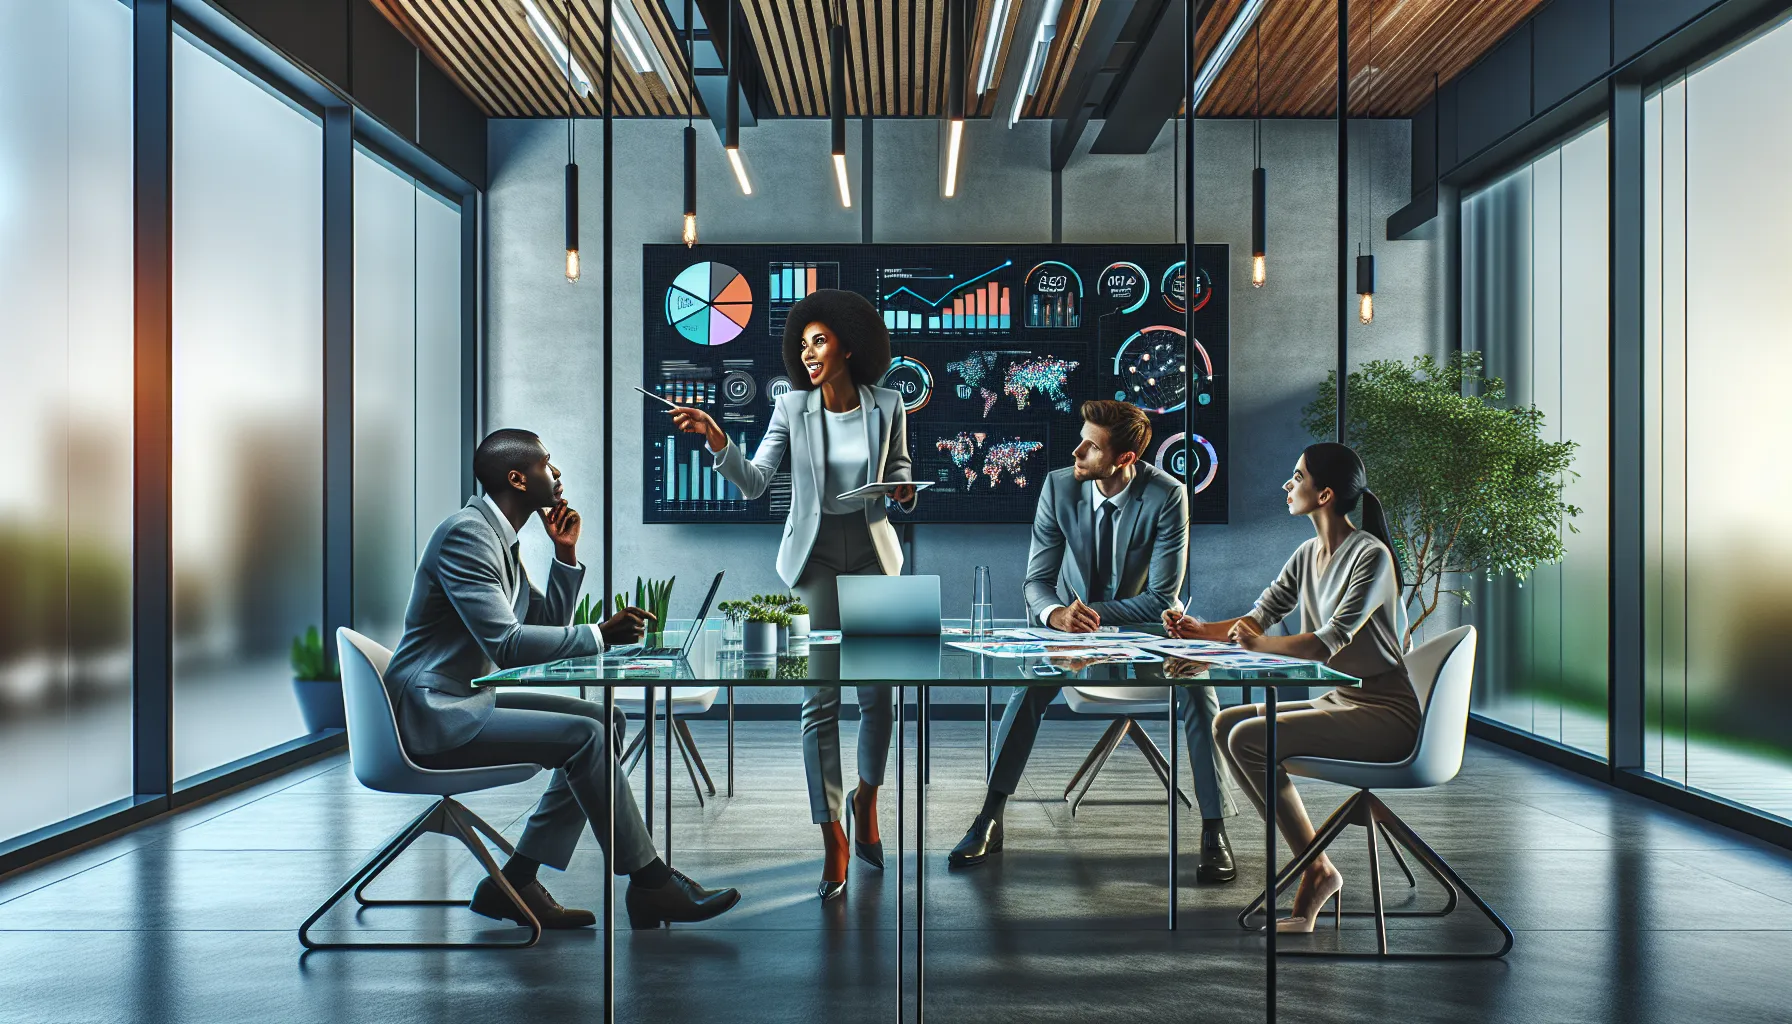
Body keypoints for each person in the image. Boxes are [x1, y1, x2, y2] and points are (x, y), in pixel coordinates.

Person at [383, 428, 741, 931]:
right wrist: (600, 633)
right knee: (585, 735)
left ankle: (517, 880)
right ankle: (651, 881)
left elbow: (544, 625)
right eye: (547, 464)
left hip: (457, 703)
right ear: (516, 478)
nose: (556, 473)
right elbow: (506, 644)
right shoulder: (467, 535)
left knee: (605, 720)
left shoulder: (500, 539)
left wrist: (565, 556)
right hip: (431, 716)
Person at [668, 289, 916, 901]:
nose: (807, 352)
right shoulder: (790, 408)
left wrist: (905, 489)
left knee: (880, 695)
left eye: (820, 340)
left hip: (875, 551)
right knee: (820, 700)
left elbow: (902, 468)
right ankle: (831, 833)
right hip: (816, 559)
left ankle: (867, 800)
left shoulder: (889, 403)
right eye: (801, 343)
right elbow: (755, 484)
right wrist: (718, 439)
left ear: (848, 345)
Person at [946, 400, 1239, 882]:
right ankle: (990, 818)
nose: (1076, 451)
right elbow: (1036, 581)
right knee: (1028, 686)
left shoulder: (1168, 495)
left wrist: (1088, 617)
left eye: (1092, 446)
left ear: (1124, 459)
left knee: (1200, 687)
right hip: (1070, 642)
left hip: (1144, 640)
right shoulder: (1059, 486)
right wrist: (1057, 614)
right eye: (1082, 438)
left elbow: (1162, 598)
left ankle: (1213, 830)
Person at [1165, 442, 1415, 933]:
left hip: (1388, 713)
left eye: (1296, 476)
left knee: (1247, 738)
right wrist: (1200, 632)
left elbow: (1327, 643)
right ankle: (1316, 863)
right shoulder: (1307, 553)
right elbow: (1257, 619)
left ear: (1323, 494)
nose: (1287, 484)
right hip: (1342, 700)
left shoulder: (1371, 556)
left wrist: (1253, 644)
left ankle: (1315, 870)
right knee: (1227, 722)